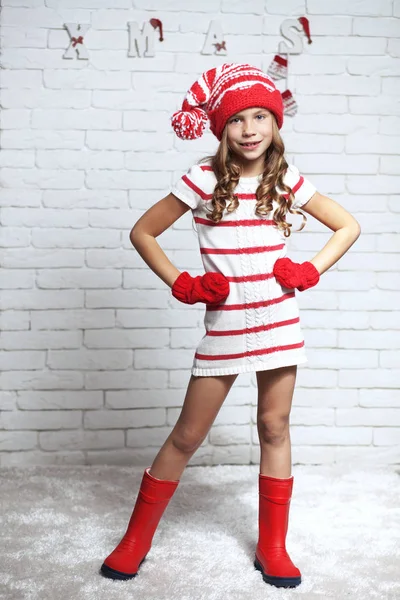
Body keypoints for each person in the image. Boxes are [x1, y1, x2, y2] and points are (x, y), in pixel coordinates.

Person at [100, 62, 361, 588]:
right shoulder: (202, 178)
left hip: (279, 322)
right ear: (221, 128)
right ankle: (135, 540)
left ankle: (273, 547)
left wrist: (308, 269)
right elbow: (143, 232)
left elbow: (347, 225)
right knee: (188, 435)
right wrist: (184, 283)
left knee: (274, 427)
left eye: (261, 115)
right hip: (226, 326)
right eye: (237, 118)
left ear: (275, 122)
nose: (250, 129)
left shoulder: (284, 179)